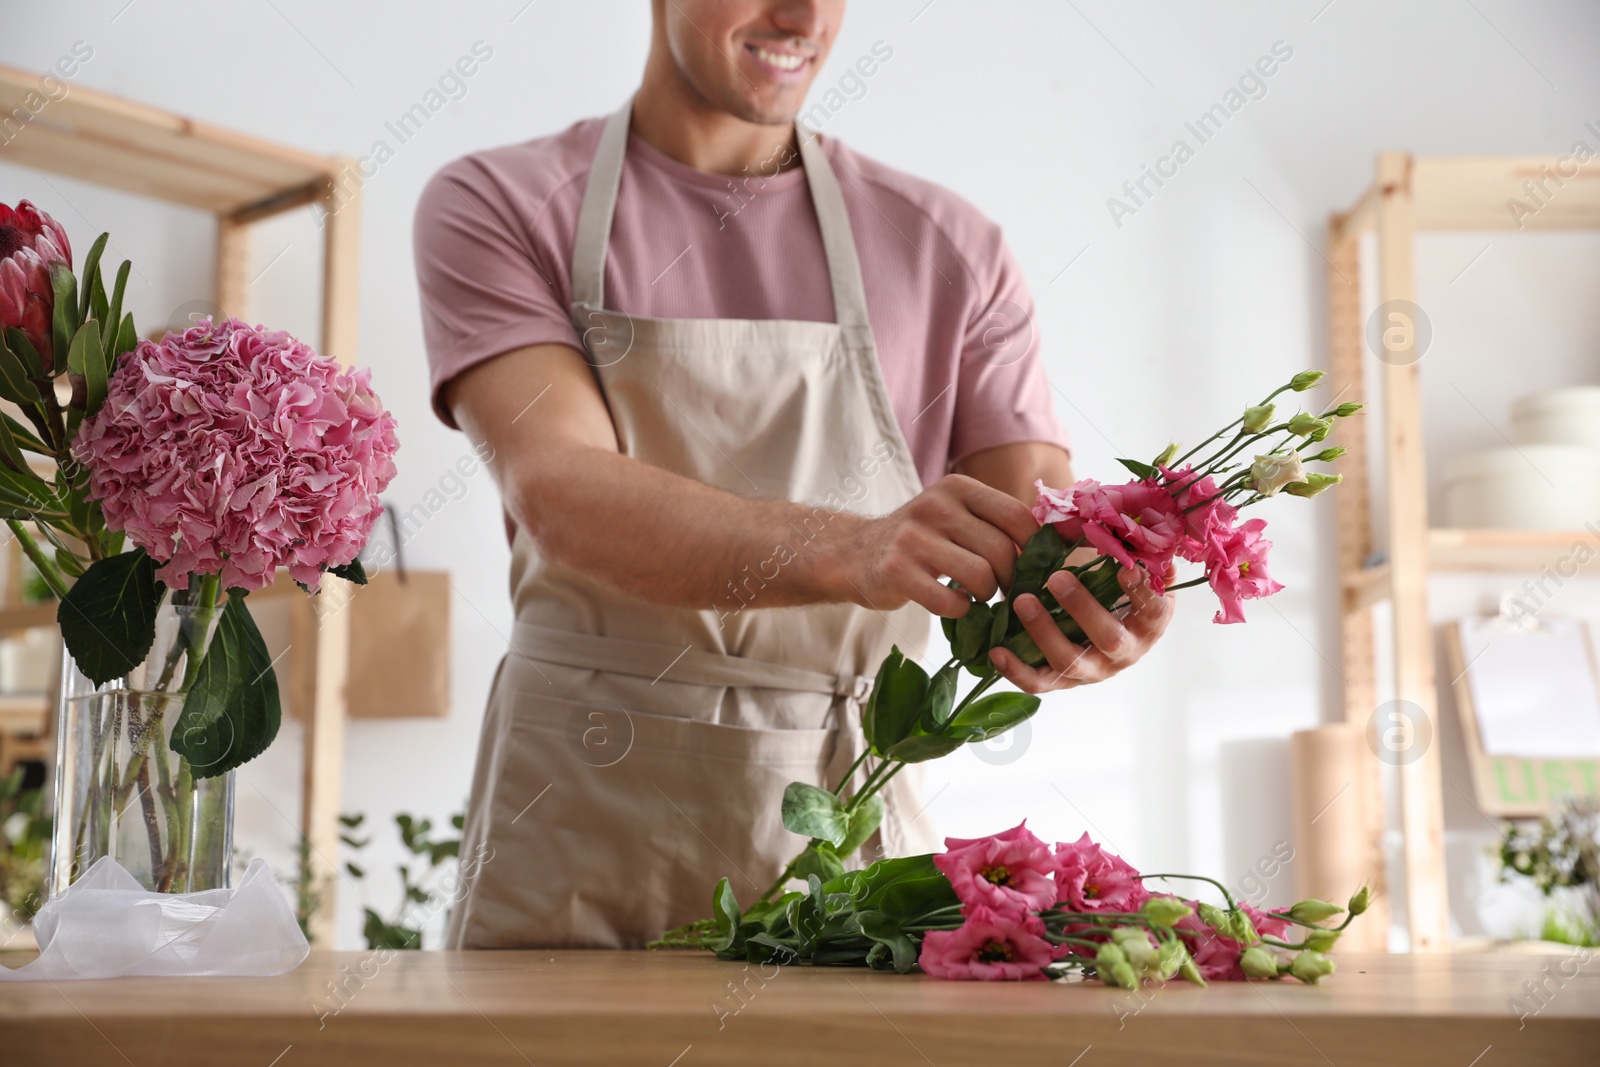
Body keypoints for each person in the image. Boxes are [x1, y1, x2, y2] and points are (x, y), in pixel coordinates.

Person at [414, 0, 1174, 949]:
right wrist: (856, 546)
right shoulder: (500, 200)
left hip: (841, 833)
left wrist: (1082, 611)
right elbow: (560, 487)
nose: (804, 15)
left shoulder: (952, 247)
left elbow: (1029, 531)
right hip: (573, 813)